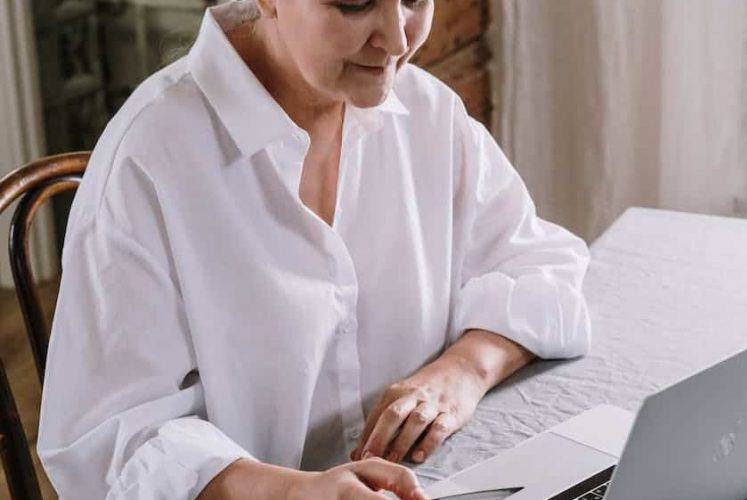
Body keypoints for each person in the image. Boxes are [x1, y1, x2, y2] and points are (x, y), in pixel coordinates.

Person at [35, 0, 591, 498]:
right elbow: (109, 447)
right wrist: (294, 493)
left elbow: (540, 265)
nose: (397, 39)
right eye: (354, 4)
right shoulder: (151, 157)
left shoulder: (429, 113)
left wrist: (462, 371)